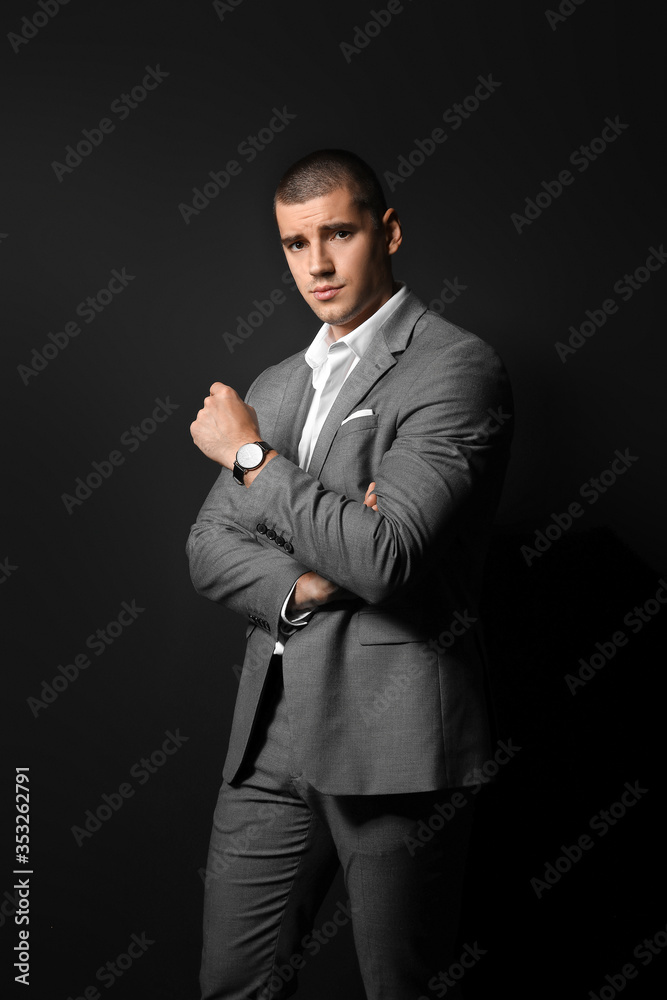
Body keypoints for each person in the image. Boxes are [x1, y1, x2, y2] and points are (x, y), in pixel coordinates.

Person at [187, 148, 513, 1000]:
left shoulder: (454, 368)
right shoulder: (276, 382)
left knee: (399, 987)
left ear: (388, 230)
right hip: (269, 736)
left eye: (338, 233)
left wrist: (253, 457)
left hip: (391, 737)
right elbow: (208, 549)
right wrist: (304, 586)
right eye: (296, 245)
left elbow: (383, 554)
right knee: (233, 985)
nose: (318, 264)